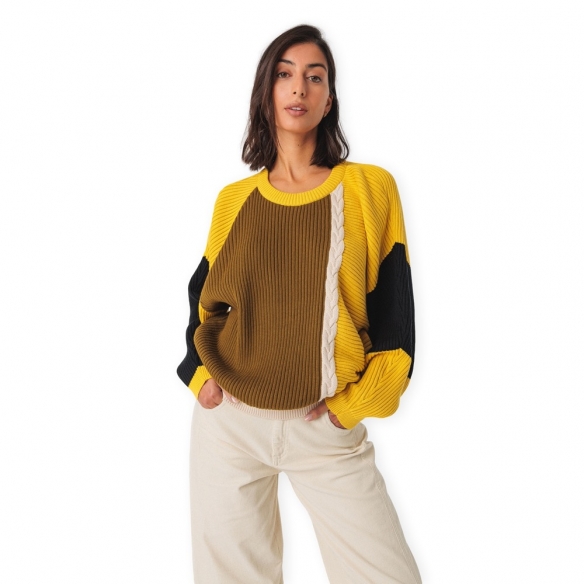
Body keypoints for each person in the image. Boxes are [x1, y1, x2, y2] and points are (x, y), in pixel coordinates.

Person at [177, 24, 422, 584]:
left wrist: (353, 408)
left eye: (315, 77)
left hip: (325, 424)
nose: (299, 88)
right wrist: (200, 378)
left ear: (329, 98)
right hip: (229, 425)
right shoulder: (235, 200)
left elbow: (395, 317)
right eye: (285, 74)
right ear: (267, 92)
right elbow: (203, 302)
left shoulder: (370, 189)